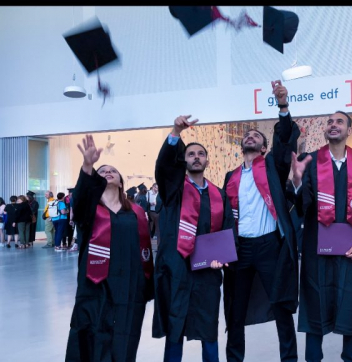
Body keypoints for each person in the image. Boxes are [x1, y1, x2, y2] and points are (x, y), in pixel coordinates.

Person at [222, 80, 300, 362]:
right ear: (241, 145)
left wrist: (282, 106)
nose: (251, 137)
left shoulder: (272, 168)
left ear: (265, 146)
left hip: (269, 246)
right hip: (240, 249)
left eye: (257, 135)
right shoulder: (230, 177)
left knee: (280, 306)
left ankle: (289, 358)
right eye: (248, 135)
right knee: (235, 308)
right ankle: (234, 358)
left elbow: (285, 139)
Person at [290, 110, 352, 362]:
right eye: (329, 122)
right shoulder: (310, 160)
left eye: (339, 121)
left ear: (349, 130)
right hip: (318, 248)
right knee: (315, 303)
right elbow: (302, 203)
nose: (333, 125)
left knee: (350, 304)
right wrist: (296, 181)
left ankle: (350, 358)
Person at [65, 134, 155, 361]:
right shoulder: (89, 209)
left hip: (129, 281)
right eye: (102, 170)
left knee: (126, 333)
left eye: (112, 170)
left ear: (121, 181)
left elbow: (144, 248)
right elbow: (80, 197)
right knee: (92, 330)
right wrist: (88, 165)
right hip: (96, 282)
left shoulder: (135, 212)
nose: (108, 171)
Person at [152, 115, 235, 362]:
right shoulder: (172, 190)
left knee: (208, 326)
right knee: (175, 326)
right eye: (191, 154)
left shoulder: (218, 194)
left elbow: (227, 230)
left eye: (200, 154)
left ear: (207, 161)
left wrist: (223, 258)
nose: (196, 157)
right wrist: (176, 132)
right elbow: (164, 167)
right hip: (176, 268)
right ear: (183, 161)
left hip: (207, 271)